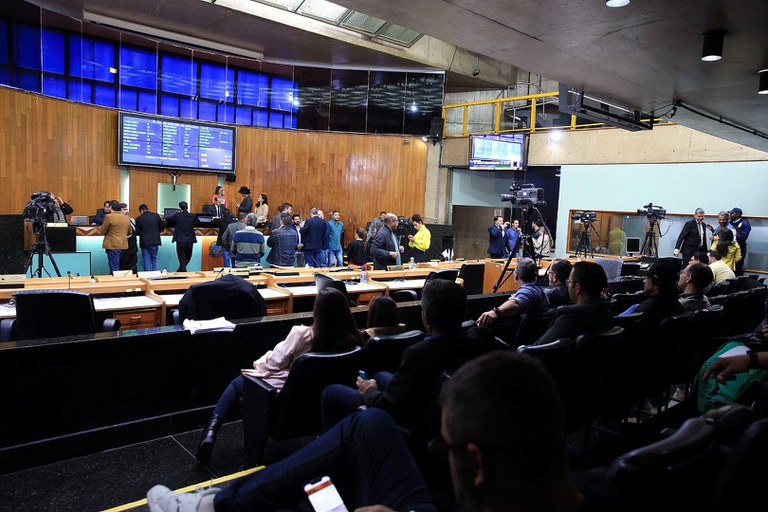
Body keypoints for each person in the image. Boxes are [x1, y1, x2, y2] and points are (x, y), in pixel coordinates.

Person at [149, 351, 618, 512]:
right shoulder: (612, 487)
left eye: (446, 446)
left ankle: (217, 505)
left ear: (475, 461)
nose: (441, 452)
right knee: (370, 422)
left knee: (361, 427)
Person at [195, 287, 362, 464]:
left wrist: (261, 361)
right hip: (317, 402)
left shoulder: (302, 334)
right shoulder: (355, 340)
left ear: (317, 311)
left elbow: (274, 362)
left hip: (287, 399)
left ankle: (210, 431)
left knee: (239, 382)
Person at [321, 279, 496, 431]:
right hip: (452, 410)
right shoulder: (480, 337)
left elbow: (388, 406)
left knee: (330, 391)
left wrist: (369, 390)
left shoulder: (419, 354)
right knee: (381, 375)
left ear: (426, 318)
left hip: (414, 423)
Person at [533, 260, 613, 346]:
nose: (568, 286)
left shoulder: (570, 316)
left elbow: (538, 348)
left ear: (577, 287)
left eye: (569, 282)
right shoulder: (607, 313)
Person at [476, 257, 549, 327]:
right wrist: (516, 297)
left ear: (516, 276)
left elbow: (516, 304)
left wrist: (495, 312)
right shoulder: (538, 289)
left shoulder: (529, 291)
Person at [618, 260, 684, 325]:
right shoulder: (677, 305)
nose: (644, 281)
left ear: (657, 285)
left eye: (647, 278)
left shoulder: (647, 308)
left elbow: (618, 323)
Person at [98, 200, 132, 273]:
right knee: (120, 266)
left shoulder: (109, 217)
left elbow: (102, 230)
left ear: (111, 207)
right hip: (123, 245)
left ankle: (115, 279)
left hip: (112, 245)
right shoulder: (126, 218)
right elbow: (130, 232)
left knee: (114, 267)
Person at [167, 201, 197, 272]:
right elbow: (198, 221)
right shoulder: (193, 215)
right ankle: (182, 270)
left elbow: (168, 219)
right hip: (190, 240)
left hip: (180, 239)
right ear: (187, 207)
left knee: (181, 257)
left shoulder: (177, 215)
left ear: (180, 208)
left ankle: (182, 270)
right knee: (188, 256)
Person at [135, 204, 165, 272]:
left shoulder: (139, 218)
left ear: (141, 211)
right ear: (147, 209)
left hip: (144, 242)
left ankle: (147, 274)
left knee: (146, 259)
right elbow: (162, 226)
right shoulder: (156, 216)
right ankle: (155, 273)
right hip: (155, 240)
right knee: (154, 259)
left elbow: (137, 231)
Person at [729, 207, 751, 276]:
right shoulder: (730, 222)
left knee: (738, 267)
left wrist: (731, 235)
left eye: (732, 213)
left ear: (738, 214)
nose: (730, 215)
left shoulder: (745, 224)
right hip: (730, 247)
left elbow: (743, 237)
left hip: (740, 247)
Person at [118, 203, 138, 272]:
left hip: (133, 248)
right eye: (124, 210)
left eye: (127, 209)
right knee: (124, 269)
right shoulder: (119, 221)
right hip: (125, 249)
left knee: (133, 268)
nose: (126, 211)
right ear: (119, 211)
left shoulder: (131, 220)